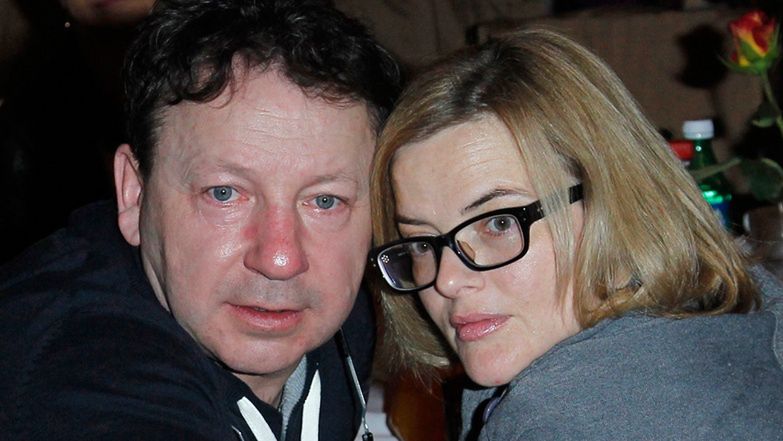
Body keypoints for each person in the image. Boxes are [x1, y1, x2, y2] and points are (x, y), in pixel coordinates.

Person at [0, 0, 401, 439]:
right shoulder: (83, 372)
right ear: (134, 194)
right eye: (224, 194)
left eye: (324, 201)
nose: (280, 260)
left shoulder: (342, 319)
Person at [367, 28, 783, 440]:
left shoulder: (561, 419)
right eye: (422, 244)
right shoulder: (745, 315)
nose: (447, 281)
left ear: (614, 201)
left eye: (498, 223)